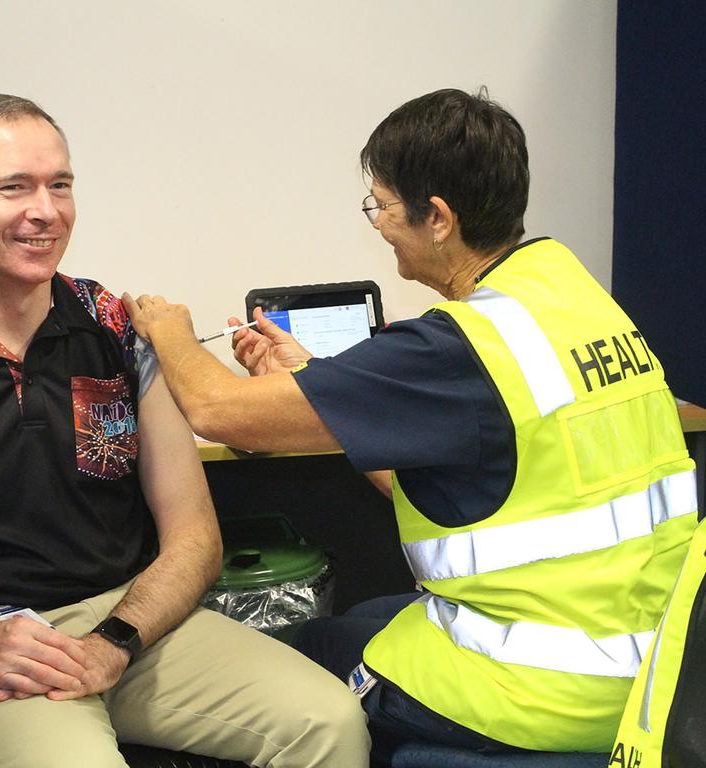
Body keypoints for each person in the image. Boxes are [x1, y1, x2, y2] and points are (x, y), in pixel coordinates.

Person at [122, 88, 698, 764]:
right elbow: (492, 498)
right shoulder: (572, 297)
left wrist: (169, 332)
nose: (379, 223)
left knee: (294, 658)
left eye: (383, 205)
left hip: (536, 689)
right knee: (368, 618)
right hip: (657, 660)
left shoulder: (456, 350)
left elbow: (215, 409)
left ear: (439, 218)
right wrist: (320, 381)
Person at [0, 94, 367, 768]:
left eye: (60, 185)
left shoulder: (116, 331)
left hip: (131, 624)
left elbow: (195, 538)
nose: (46, 210)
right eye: (14, 187)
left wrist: (117, 639)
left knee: (330, 721)